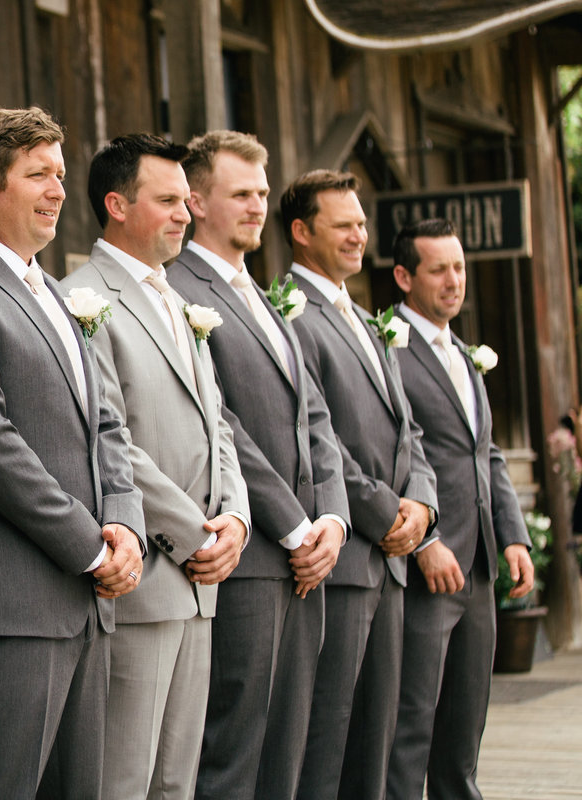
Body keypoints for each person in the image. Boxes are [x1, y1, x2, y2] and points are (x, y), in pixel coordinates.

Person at [0, 107, 146, 800]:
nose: (58, 190)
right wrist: (91, 546)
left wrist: (126, 523)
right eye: (38, 174)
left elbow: (106, 422)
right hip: (14, 612)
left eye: (61, 175)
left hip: (85, 605)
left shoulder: (54, 292)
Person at [60, 133, 250, 800]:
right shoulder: (81, 298)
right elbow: (108, 439)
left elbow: (216, 423)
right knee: (122, 781)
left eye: (187, 202)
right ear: (117, 204)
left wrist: (235, 517)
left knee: (177, 783)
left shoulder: (179, 304)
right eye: (168, 200)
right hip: (147, 578)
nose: (185, 215)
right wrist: (195, 535)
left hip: (203, 583)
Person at [165, 131, 349, 800]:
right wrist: (296, 527)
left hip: (310, 556)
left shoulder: (265, 296)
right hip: (254, 558)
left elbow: (315, 416)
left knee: (290, 755)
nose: (257, 205)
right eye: (240, 193)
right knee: (234, 755)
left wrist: (333, 516)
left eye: (263, 193)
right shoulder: (181, 290)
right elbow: (223, 424)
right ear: (196, 200)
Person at [279, 170, 438, 800]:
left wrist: (423, 504)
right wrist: (382, 512)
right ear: (301, 231)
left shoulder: (370, 318)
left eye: (361, 223)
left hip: (393, 557)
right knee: (330, 738)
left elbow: (408, 429)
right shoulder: (292, 312)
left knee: (379, 735)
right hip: (346, 559)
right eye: (342, 225)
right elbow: (317, 435)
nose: (359, 236)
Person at [386, 219, 535, 800]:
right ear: (404, 276)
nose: (454, 281)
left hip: (476, 568)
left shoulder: (465, 353)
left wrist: (513, 536)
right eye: (439, 269)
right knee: (411, 729)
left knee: (463, 734)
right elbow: (384, 454)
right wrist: (424, 542)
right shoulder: (387, 345)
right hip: (426, 566)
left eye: (460, 267)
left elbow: (485, 452)